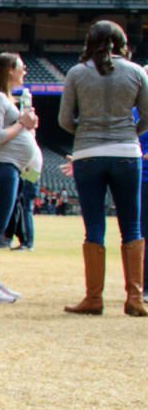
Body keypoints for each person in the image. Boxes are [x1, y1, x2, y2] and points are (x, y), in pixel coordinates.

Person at [58, 20, 147, 317]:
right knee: (131, 225)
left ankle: (94, 298)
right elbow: (146, 116)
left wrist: (84, 131)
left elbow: (64, 119)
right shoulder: (136, 72)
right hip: (126, 151)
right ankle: (135, 297)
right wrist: (129, 132)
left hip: (88, 153)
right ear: (122, 42)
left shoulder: (77, 73)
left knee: (94, 226)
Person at [0, 52, 39, 304]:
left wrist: (26, 123)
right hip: (1, 167)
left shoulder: (3, 99)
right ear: (9, 70)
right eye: (21, 67)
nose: (24, 71)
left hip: (9, 167)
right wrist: (23, 123)